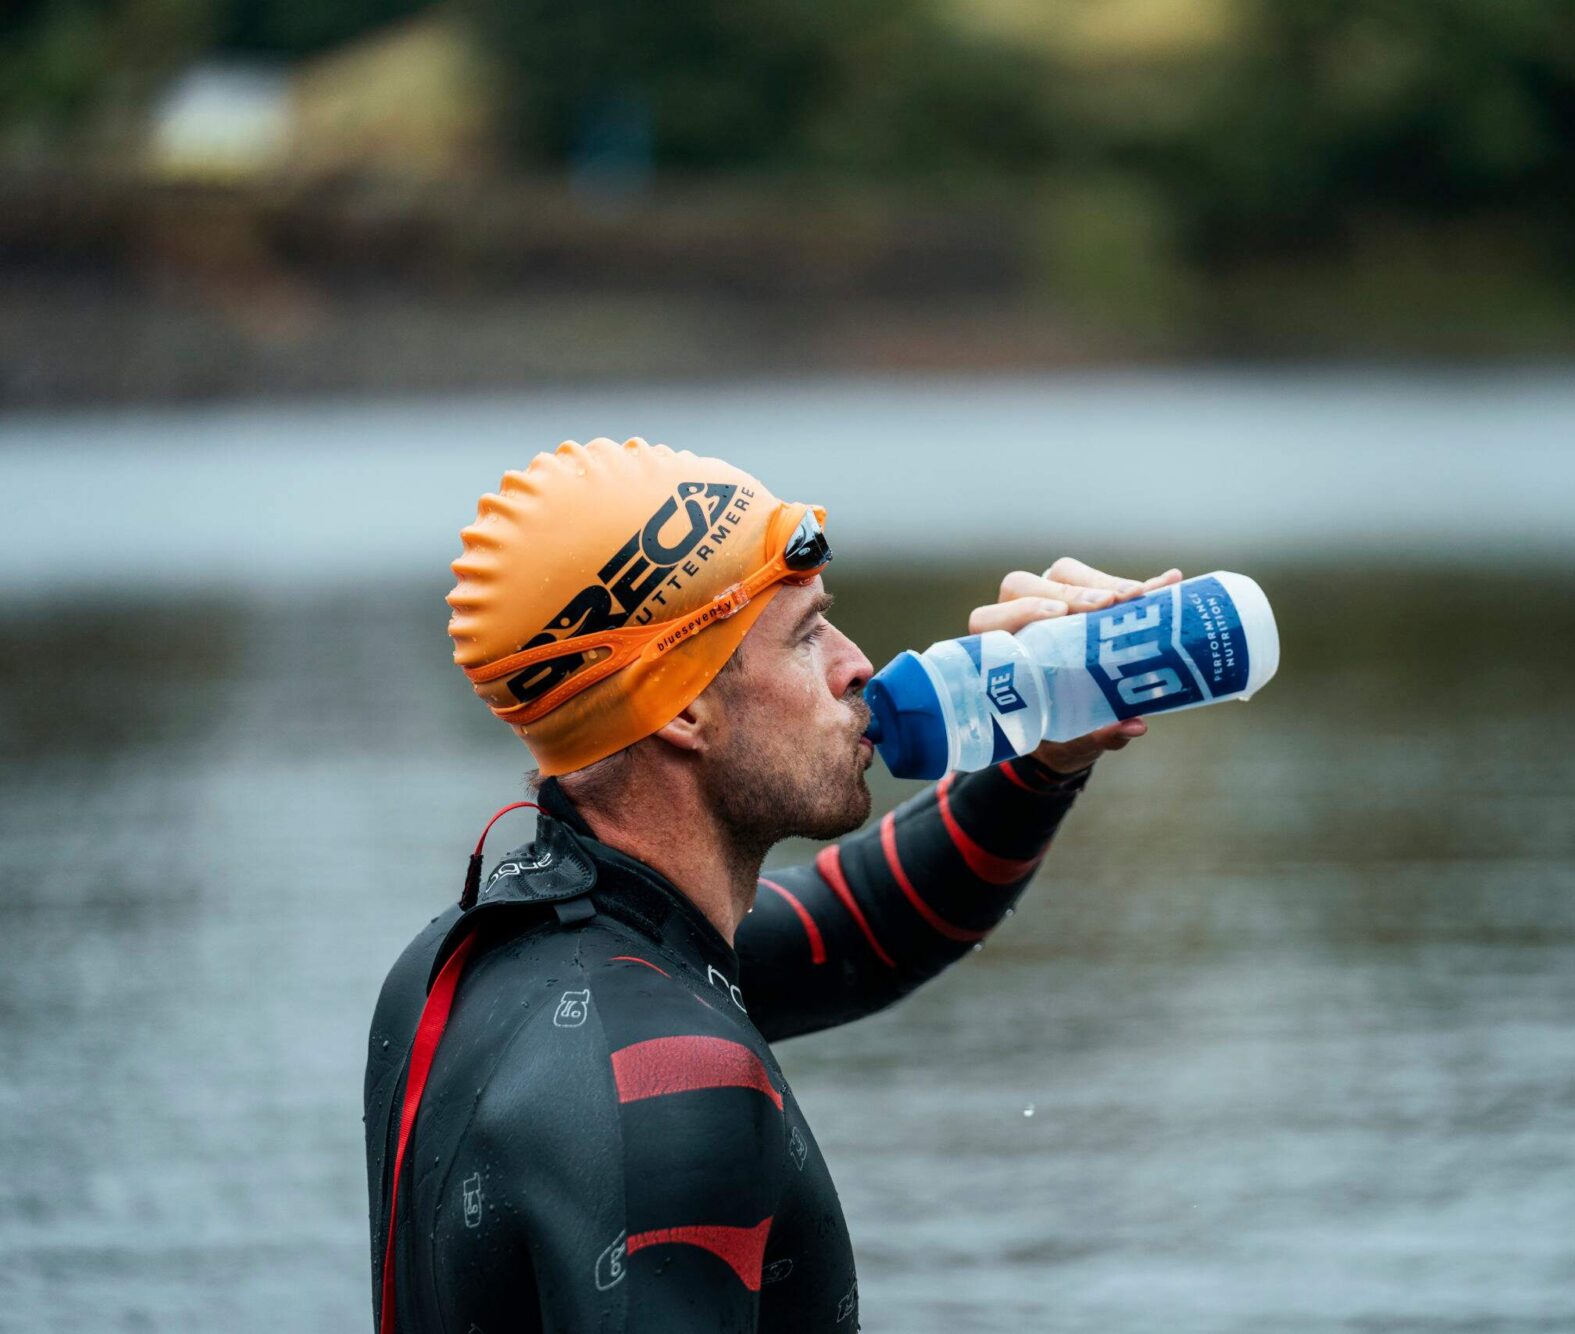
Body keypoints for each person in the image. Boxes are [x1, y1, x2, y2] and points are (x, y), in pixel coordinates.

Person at [363, 438, 1180, 1333]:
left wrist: (1047, 749)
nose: (857, 664)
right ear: (680, 707)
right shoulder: (678, 1083)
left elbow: (867, 927)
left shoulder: (464, 963)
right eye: (806, 635)